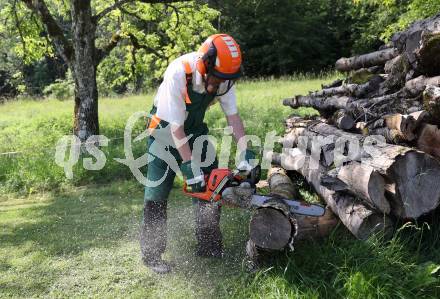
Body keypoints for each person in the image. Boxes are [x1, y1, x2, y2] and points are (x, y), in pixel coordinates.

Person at [140, 34, 255, 274]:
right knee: (156, 193)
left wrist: (245, 150)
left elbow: (233, 117)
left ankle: (209, 245)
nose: (219, 84)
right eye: (216, 78)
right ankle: (152, 255)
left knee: (210, 189)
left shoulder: (225, 78)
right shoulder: (179, 72)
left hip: (194, 133)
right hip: (164, 132)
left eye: (225, 79)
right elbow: (175, 128)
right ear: (205, 63)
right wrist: (189, 165)